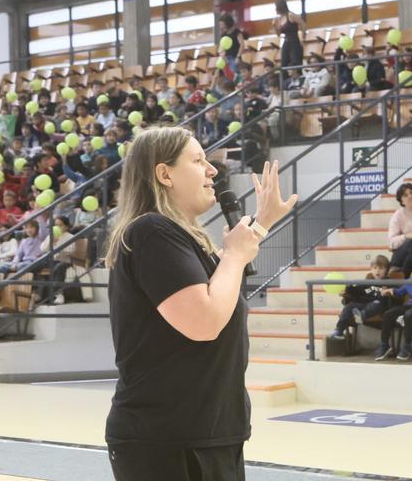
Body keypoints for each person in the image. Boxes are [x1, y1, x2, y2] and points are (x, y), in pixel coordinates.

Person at [104, 127, 296, 480]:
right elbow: (204, 322)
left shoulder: (175, 237)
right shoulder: (151, 231)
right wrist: (237, 253)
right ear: (165, 174)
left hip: (200, 432)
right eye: (198, 160)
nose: (212, 170)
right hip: (168, 439)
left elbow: (224, 275)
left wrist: (263, 222)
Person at [328, 255, 393, 340]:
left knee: (376, 304)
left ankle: (361, 316)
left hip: (379, 306)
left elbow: (393, 296)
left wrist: (387, 291)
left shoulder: (389, 282)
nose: (377, 271)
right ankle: (339, 330)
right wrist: (347, 289)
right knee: (349, 307)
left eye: (381, 268)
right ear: (371, 269)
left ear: (386, 270)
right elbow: (357, 290)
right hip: (364, 305)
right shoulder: (367, 281)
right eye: (375, 268)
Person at [274, 0, 305, 70]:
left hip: (294, 41)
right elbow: (278, 34)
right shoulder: (279, 19)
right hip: (286, 42)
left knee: (295, 61)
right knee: (284, 62)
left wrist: (303, 37)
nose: (275, 10)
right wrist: (274, 26)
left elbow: (303, 24)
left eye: (276, 8)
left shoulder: (291, 15)